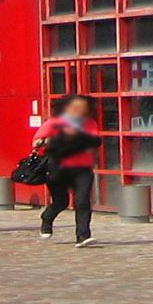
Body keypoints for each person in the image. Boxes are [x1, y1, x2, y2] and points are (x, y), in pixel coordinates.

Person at [32, 95, 101, 246]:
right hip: (58, 167)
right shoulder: (54, 123)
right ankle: (47, 218)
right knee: (61, 201)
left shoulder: (90, 123)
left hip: (82, 168)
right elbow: (36, 143)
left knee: (82, 201)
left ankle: (83, 236)